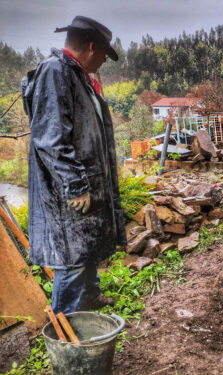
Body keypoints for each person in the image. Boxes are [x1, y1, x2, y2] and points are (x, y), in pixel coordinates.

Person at [22, 16, 127, 314]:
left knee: (87, 247)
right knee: (72, 258)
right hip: (69, 190)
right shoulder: (55, 72)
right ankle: (64, 328)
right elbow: (50, 139)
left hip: (87, 182)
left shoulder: (78, 75)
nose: (105, 61)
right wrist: (76, 185)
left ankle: (90, 298)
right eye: (105, 55)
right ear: (92, 47)